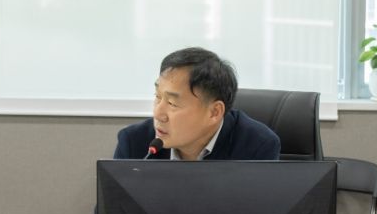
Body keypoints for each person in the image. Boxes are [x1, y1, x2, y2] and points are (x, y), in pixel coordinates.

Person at [114, 47, 280, 160]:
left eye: (172, 103)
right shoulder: (134, 143)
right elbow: (113, 203)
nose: (158, 114)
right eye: (157, 96)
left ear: (214, 112)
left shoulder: (256, 146)